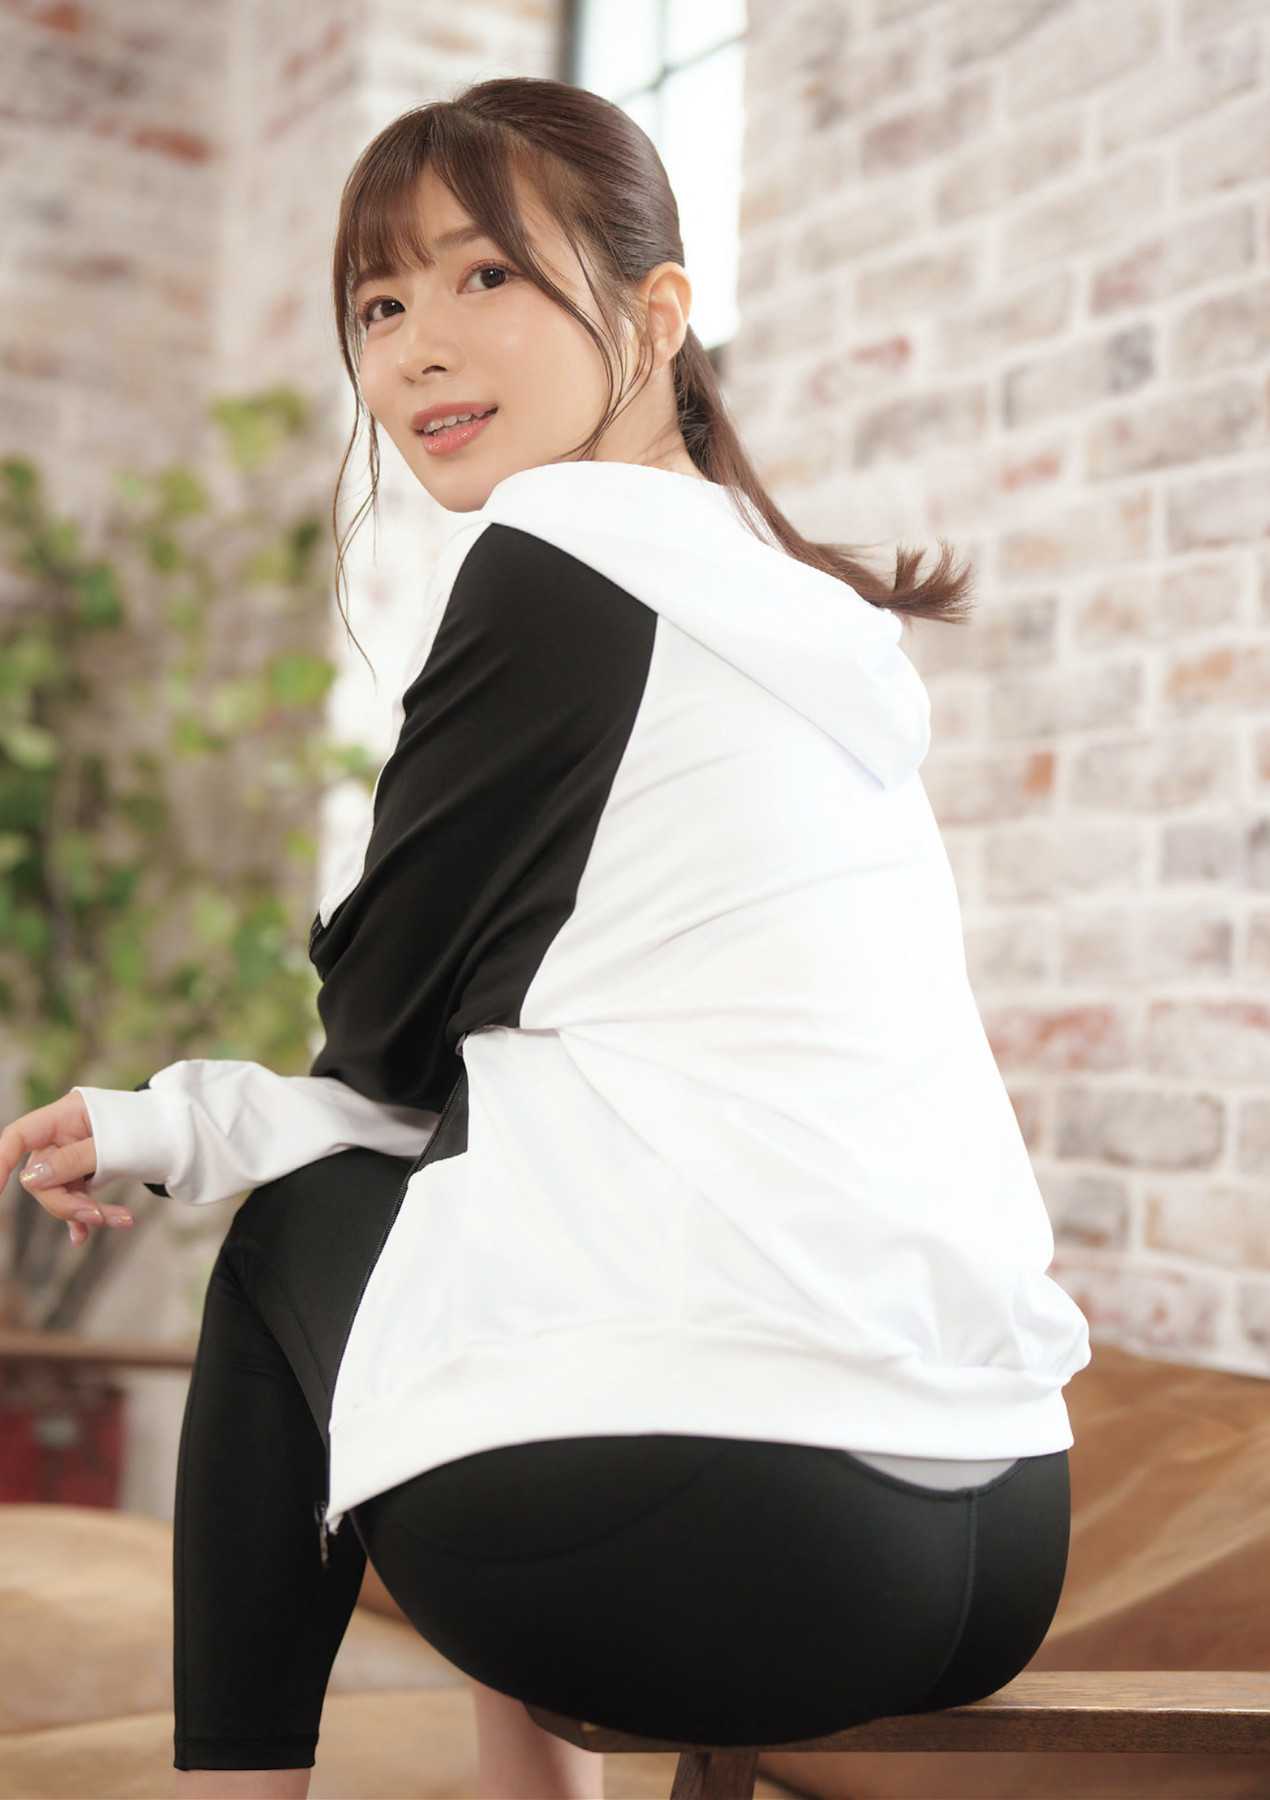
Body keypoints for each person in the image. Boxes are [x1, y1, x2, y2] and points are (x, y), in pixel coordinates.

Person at [4, 75, 1091, 1800]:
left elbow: (379, 1036)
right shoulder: (791, 628)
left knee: (291, 1239)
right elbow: (462, 1084)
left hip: (740, 1522)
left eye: (485, 274)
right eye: (378, 303)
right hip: (997, 1535)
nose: (417, 346)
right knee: (490, 1231)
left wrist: (191, 1127)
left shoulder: (562, 559)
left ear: (656, 316)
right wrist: (168, 1122)